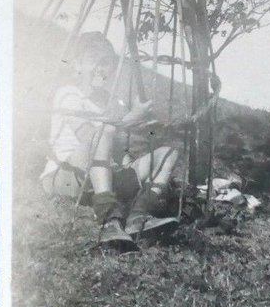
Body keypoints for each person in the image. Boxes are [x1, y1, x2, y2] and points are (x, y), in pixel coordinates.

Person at [40, 32, 181, 250]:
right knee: (102, 133)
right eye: (92, 61)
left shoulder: (111, 100)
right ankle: (109, 218)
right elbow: (90, 137)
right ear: (76, 65)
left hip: (103, 176)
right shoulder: (69, 94)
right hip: (68, 175)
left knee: (169, 152)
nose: (100, 69)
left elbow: (118, 147)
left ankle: (139, 214)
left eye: (106, 63)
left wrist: (130, 160)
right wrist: (130, 118)